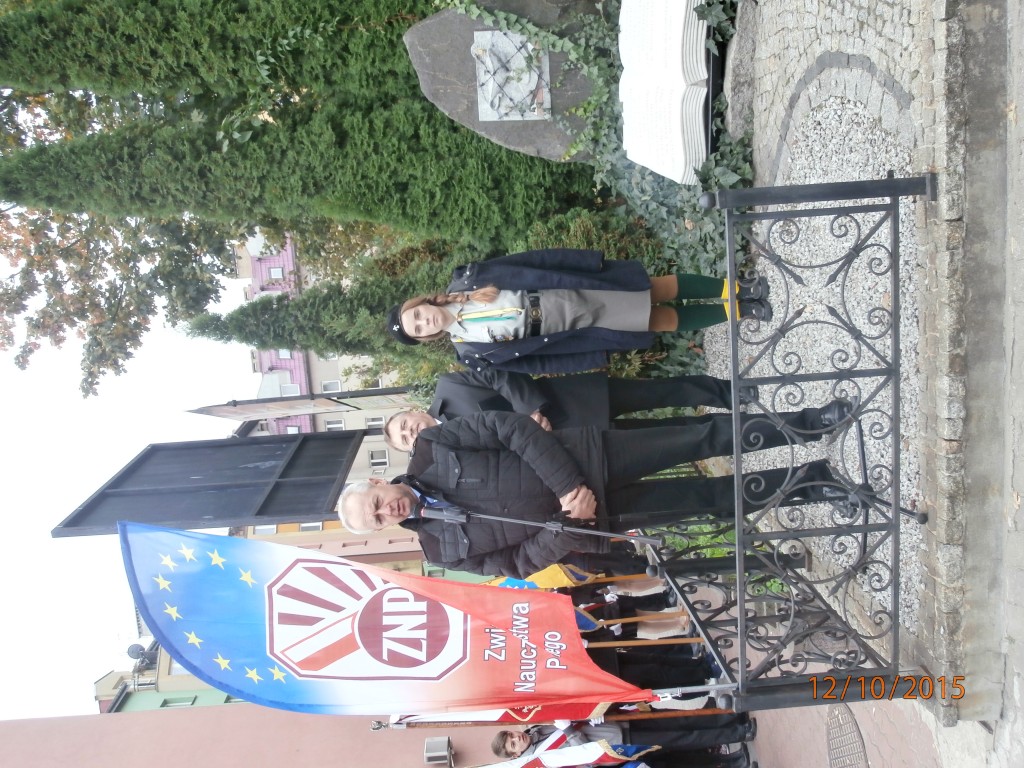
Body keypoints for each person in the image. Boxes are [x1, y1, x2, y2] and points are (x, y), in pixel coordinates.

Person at [338, 406, 855, 579]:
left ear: (379, 482)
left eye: (377, 502)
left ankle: (808, 424)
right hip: (598, 520)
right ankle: (815, 483)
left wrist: (568, 487)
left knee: (700, 438)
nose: (387, 510)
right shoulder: (440, 550)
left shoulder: (432, 446)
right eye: (378, 519)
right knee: (712, 500)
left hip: (590, 460)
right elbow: (517, 564)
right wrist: (570, 525)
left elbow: (510, 429)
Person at [385, 248, 771, 374]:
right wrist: (590, 359)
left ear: (422, 303)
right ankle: (742, 312)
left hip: (567, 288)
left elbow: (531, 261)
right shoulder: (472, 354)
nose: (423, 321)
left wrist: (582, 262)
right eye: (418, 329)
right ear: (425, 338)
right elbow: (536, 365)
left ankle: (739, 289)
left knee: (655, 288)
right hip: (571, 330)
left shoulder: (468, 278)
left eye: (416, 314)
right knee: (656, 320)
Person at [383, 369, 758, 452]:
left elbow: (500, 377)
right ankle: (742, 424)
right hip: (575, 439)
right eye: (405, 440)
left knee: (660, 393)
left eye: (404, 425)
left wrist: (530, 410)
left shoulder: (450, 387)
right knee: (672, 431)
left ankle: (730, 392)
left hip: (572, 399)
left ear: (412, 412)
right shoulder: (453, 449)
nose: (409, 432)